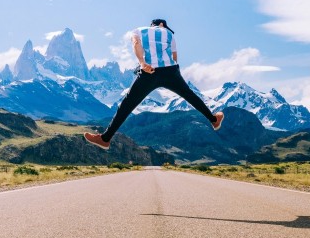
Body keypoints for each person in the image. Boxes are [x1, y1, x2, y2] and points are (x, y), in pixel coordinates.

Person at [84, 19, 224, 150]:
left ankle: (105, 138)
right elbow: (175, 58)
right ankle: (213, 120)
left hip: (149, 71)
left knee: (127, 104)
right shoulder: (170, 34)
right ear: (162, 25)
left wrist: (142, 63)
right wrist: (174, 76)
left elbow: (136, 44)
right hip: (171, 71)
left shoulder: (138, 31)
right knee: (189, 95)